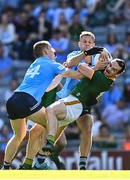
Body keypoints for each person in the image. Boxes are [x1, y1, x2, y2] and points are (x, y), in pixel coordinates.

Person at [1, 40, 103, 169]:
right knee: (49, 124)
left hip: (13, 99)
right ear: (45, 51)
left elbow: (50, 86)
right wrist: (95, 69)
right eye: (52, 50)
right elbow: (77, 75)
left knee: (19, 135)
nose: (54, 52)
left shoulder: (35, 63)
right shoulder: (52, 64)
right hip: (27, 100)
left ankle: (5, 167)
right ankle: (37, 161)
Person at [42, 58, 125, 158]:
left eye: (114, 70)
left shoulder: (103, 79)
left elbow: (81, 66)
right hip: (76, 102)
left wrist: (97, 66)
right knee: (55, 129)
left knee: (50, 111)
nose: (110, 69)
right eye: (110, 65)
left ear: (117, 74)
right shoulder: (101, 75)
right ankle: (42, 158)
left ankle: (50, 145)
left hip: (77, 102)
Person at [56, 31, 109, 170]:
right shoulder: (74, 55)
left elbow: (103, 76)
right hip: (68, 97)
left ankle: (83, 165)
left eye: (89, 42)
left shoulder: (99, 58)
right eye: (84, 42)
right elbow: (71, 64)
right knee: (58, 134)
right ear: (79, 44)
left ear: (94, 44)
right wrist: (87, 56)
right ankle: (42, 156)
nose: (86, 44)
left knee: (87, 127)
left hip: (84, 99)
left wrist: (104, 54)